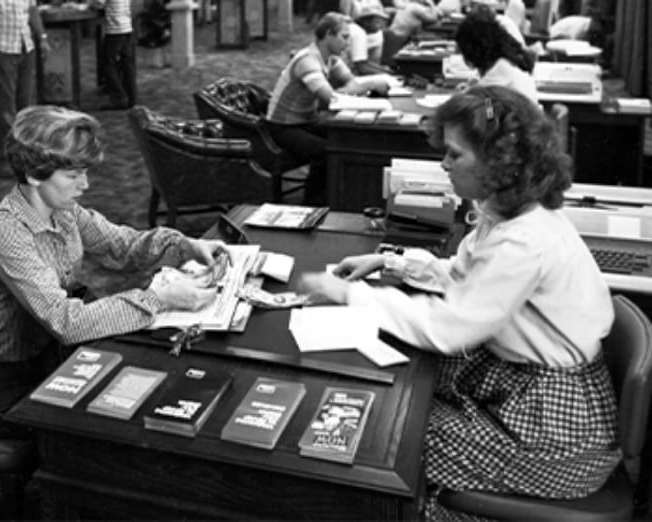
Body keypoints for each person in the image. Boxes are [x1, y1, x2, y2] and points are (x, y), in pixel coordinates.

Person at [299, 85, 621, 519]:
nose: (443, 163)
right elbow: (464, 274)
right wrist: (387, 261)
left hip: (555, 432)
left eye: (455, 154)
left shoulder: (524, 241)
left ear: (498, 162)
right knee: (396, 403)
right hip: (531, 391)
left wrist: (350, 294)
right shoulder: (511, 213)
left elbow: (449, 328)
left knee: (387, 438)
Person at [0, 105, 231, 438]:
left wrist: (184, 245)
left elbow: (121, 246)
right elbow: (66, 322)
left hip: (54, 355)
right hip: (12, 378)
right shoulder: (8, 233)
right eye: (73, 175)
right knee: (94, 442)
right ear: (35, 175)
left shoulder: (63, 210)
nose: (86, 184)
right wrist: (158, 299)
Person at [265, 12, 390, 204]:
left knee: (347, 138)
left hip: (304, 121)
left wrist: (359, 87)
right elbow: (332, 99)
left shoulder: (331, 58)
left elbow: (352, 84)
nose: (347, 43)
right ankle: (313, 203)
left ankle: (342, 196)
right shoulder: (307, 61)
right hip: (283, 126)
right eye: (344, 37)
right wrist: (370, 85)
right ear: (329, 35)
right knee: (327, 151)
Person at [0, 0, 51, 176]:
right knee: (6, 107)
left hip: (26, 47)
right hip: (2, 50)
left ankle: (25, 155)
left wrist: (42, 38)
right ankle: (4, 158)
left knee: (25, 105)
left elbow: (31, 9)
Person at [455, 4, 538, 103]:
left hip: (517, 117)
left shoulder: (500, 70)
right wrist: (475, 89)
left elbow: (488, 110)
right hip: (519, 116)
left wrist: (468, 95)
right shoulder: (507, 61)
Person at [89, 0, 137, 110]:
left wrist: (90, 4)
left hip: (115, 30)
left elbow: (98, 3)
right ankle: (132, 98)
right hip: (126, 27)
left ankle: (119, 98)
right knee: (127, 64)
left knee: (107, 64)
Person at [346, 3, 393, 75]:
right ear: (366, 22)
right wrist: (388, 73)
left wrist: (383, 69)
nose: (381, 26)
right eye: (377, 22)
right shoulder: (359, 33)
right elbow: (362, 68)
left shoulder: (357, 29)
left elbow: (364, 62)